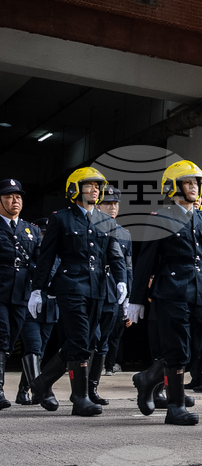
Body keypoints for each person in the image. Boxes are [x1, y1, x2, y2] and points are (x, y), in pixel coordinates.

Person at [127, 160, 202, 425]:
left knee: (193, 348)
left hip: (197, 294)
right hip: (170, 292)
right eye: (188, 182)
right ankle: (175, 407)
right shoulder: (160, 218)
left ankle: (147, 379)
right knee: (177, 349)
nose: (195, 187)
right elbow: (146, 261)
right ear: (174, 186)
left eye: (197, 183)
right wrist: (137, 299)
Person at [28, 167, 127, 416]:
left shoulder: (105, 221)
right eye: (89, 185)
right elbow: (46, 258)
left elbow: (114, 255)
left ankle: (40, 383)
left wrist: (121, 281)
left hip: (97, 289)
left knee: (86, 341)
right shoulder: (61, 219)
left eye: (97, 186)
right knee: (81, 340)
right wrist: (38, 289)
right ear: (75, 189)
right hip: (70, 286)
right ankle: (80, 398)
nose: (95, 190)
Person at [88, 185, 133, 406]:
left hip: (113, 291)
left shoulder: (124, 233)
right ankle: (79, 387)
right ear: (98, 204)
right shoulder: (88, 226)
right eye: (108, 203)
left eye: (115, 203)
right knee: (87, 338)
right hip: (91, 288)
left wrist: (129, 298)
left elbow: (128, 267)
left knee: (104, 340)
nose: (113, 207)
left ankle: (92, 388)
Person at [0, 179, 42, 410]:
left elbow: (42, 260)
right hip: (1, 290)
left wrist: (43, 287)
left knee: (10, 339)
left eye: (18, 197)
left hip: (20, 294)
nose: (14, 200)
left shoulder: (31, 230)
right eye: (8, 196)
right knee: (2, 335)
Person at [15, 217, 57, 406]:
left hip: (48, 308)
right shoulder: (29, 254)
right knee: (33, 346)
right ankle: (39, 390)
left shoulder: (58, 254)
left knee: (39, 350)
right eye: (42, 234)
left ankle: (23, 390)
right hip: (29, 305)